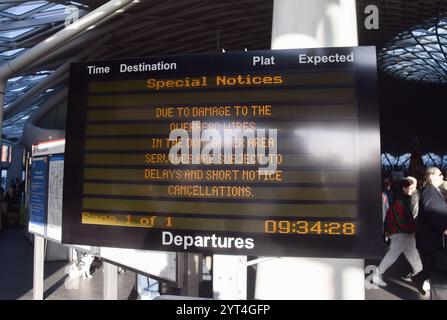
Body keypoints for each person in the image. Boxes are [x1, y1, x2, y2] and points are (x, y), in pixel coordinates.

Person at [374, 178, 423, 287]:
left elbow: (392, 217)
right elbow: (402, 220)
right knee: (396, 255)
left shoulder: (399, 201)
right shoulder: (401, 202)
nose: (411, 190)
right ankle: (377, 274)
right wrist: (412, 230)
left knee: (412, 255)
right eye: (409, 188)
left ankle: (420, 276)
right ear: (403, 188)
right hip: (403, 234)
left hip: (402, 234)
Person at [412, 167, 447, 295]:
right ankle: (419, 280)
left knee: (431, 268)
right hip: (429, 240)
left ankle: (418, 279)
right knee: (433, 269)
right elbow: (431, 211)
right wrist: (444, 228)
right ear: (431, 176)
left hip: (432, 238)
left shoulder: (435, 191)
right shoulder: (429, 191)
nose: (442, 176)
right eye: (440, 174)